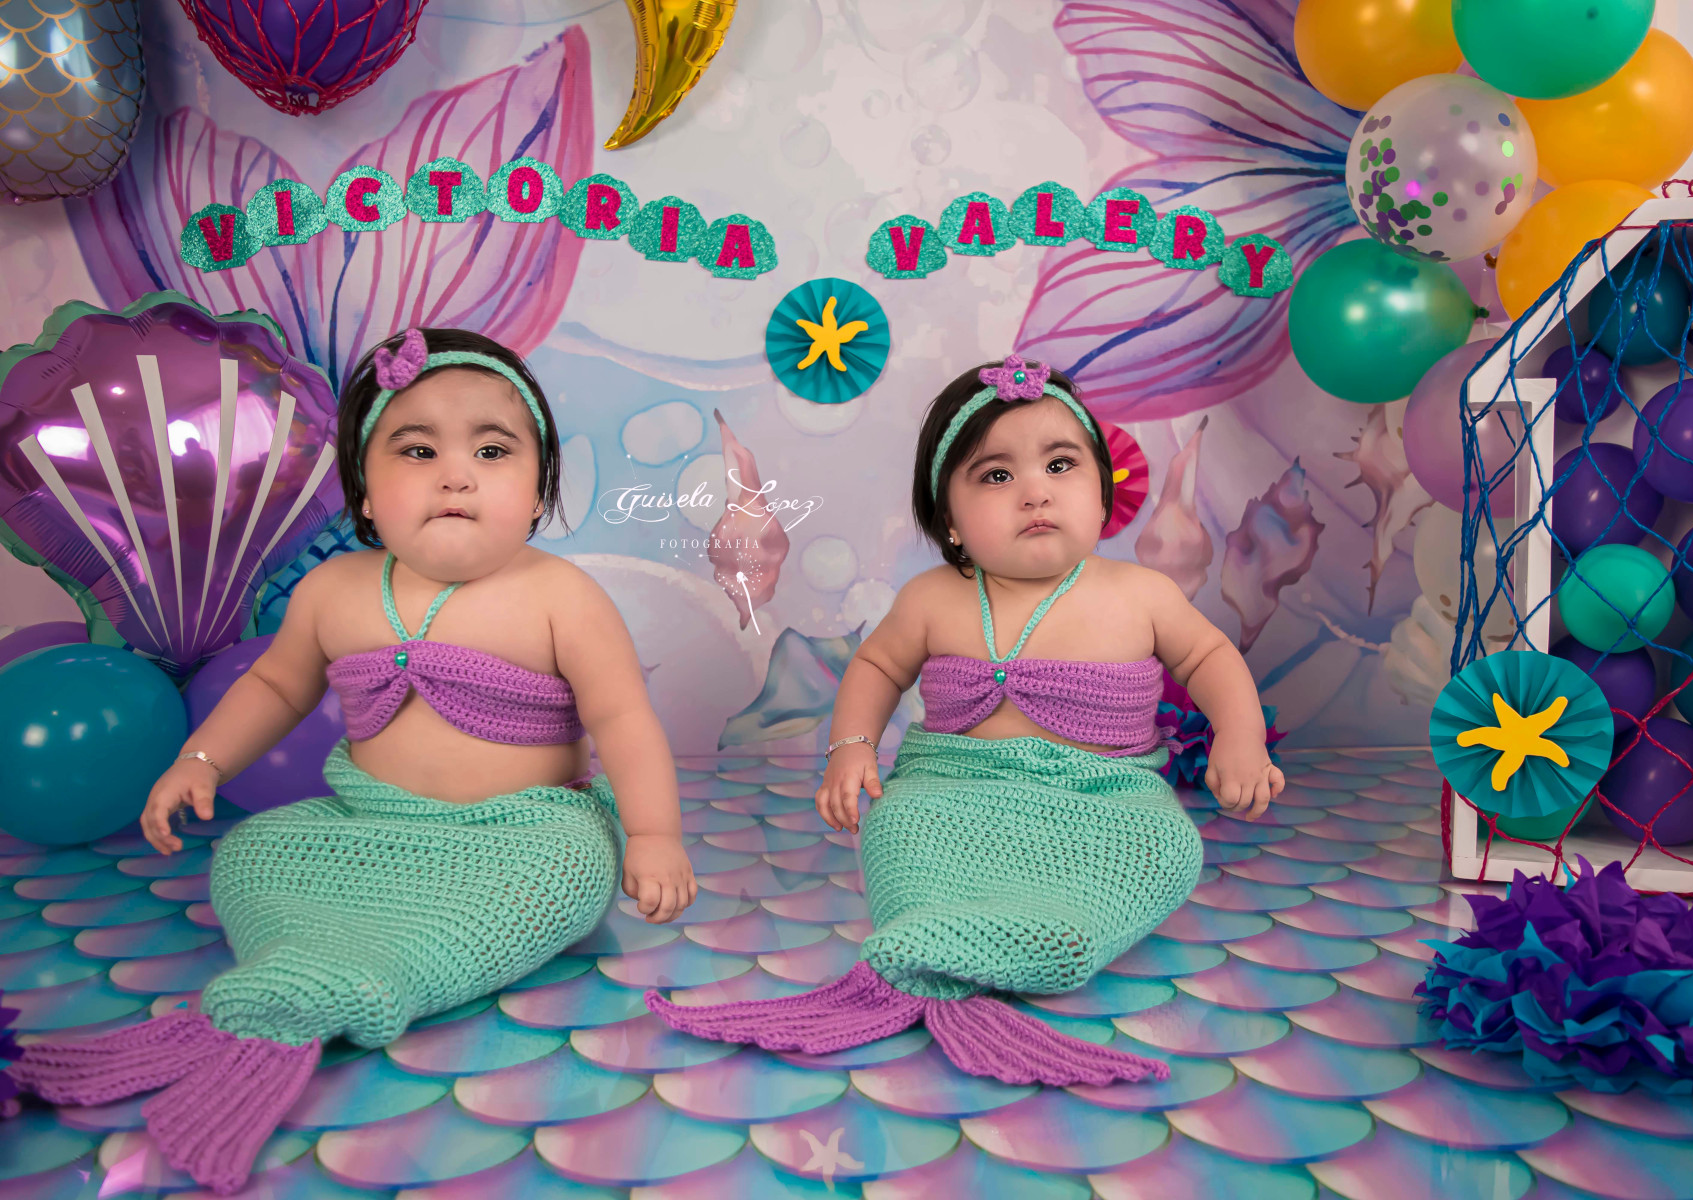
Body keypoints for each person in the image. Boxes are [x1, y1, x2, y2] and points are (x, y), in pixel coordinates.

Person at [9, 328, 694, 1193]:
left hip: (521, 833)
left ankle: (361, 979)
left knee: (567, 869)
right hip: (363, 824)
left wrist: (653, 835)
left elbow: (623, 720)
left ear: (538, 490)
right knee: (255, 850)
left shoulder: (561, 597)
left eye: (492, 451)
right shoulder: (334, 592)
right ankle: (293, 962)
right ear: (365, 491)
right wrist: (202, 758)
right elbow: (274, 686)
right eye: (418, 450)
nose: (456, 475)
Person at [647, 354, 1281, 1085]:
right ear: (949, 518)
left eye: (1061, 465)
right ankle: (930, 929)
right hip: (950, 791)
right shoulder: (933, 598)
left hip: (1105, 801)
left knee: (1169, 847)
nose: (1035, 491)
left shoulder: (1139, 594)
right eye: (997, 475)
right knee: (897, 823)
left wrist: (1240, 737)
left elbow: (1210, 658)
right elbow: (877, 667)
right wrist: (851, 747)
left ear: (1102, 490)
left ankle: (1054, 934)